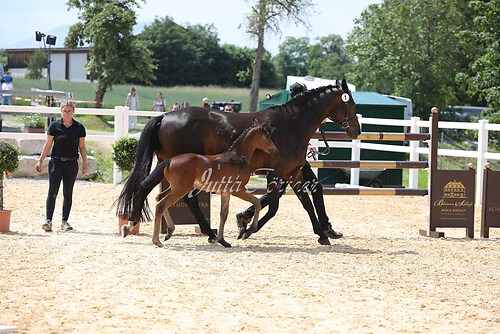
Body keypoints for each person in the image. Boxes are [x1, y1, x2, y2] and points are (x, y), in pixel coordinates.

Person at [35, 101, 88, 232]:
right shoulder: (54, 126)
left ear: (73, 112)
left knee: (68, 192)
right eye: (65, 110)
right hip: (56, 162)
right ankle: (48, 220)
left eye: (70, 111)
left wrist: (85, 162)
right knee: (52, 191)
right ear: (61, 112)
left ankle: (64, 221)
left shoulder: (79, 127)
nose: (67, 113)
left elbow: (82, 146)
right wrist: (40, 160)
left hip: (71, 163)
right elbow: (48, 144)